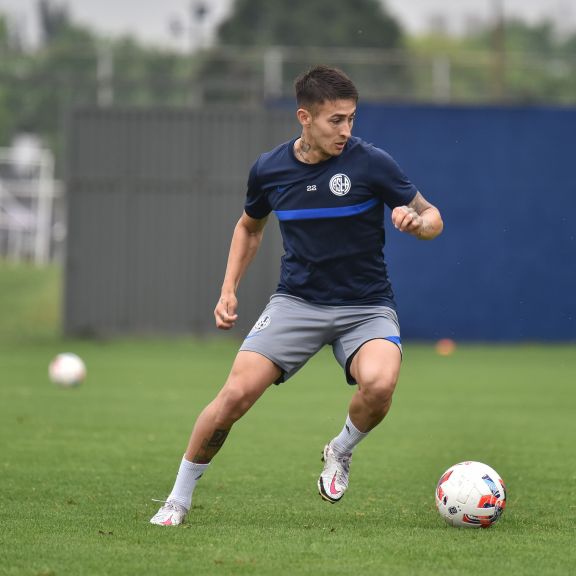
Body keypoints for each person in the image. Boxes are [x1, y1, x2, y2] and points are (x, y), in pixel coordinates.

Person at [150, 65, 443, 526]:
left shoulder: (371, 163)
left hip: (365, 307)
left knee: (381, 384)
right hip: (297, 304)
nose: (346, 130)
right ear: (304, 117)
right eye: (336, 120)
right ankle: (177, 499)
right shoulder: (269, 170)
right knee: (234, 396)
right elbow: (249, 227)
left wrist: (417, 223)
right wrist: (229, 289)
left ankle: (340, 450)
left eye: (351, 119)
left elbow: (433, 218)